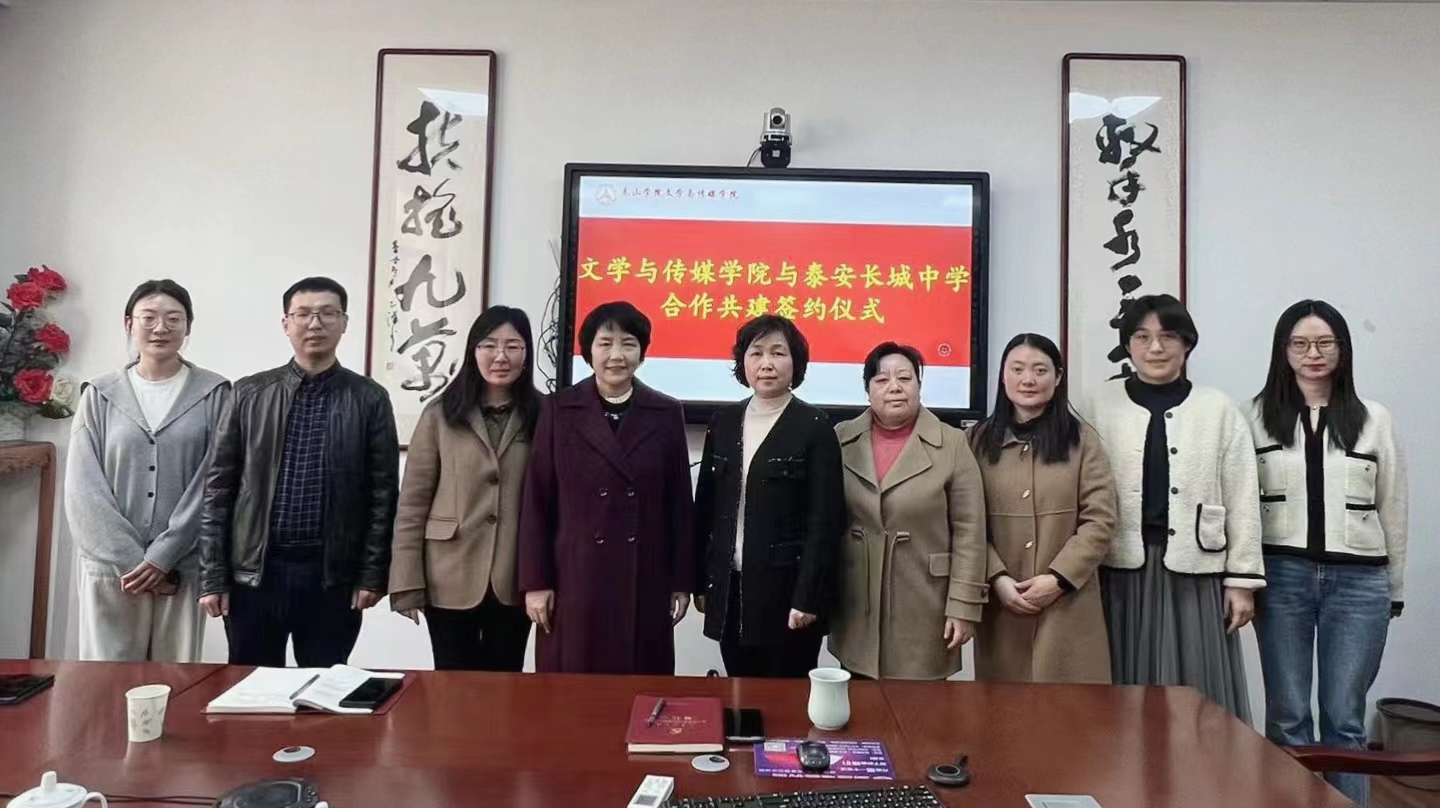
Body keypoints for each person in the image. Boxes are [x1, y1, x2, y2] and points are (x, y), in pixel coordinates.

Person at [1248, 300, 1407, 806]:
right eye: (1300, 344)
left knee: (1345, 718)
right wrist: (1244, 579)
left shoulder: (1374, 419)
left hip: (1359, 583)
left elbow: (1393, 505)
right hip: (1281, 578)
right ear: (1283, 351)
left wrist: (1394, 588)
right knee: (1288, 717)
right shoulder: (1253, 417)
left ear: (1342, 349)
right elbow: (1242, 506)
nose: (1312, 354)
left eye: (1324, 343)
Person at [198, 277, 399, 667]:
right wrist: (212, 575)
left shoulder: (369, 398)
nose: (315, 323)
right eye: (303, 314)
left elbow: (382, 495)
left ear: (344, 322)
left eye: (327, 313)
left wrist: (372, 574)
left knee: (324, 691)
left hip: (332, 578)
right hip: (255, 575)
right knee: (251, 689)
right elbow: (218, 490)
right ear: (286, 324)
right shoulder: (248, 393)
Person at [1083, 294, 1263, 720]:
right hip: (1116, 570)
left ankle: (1198, 763)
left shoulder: (1218, 408)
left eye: (1168, 336)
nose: (1155, 347)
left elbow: (1242, 494)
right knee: (1118, 688)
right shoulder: (1097, 404)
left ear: (1187, 343)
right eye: (1142, 337)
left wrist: (1242, 581)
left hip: (1194, 573)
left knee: (1195, 691)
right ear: (1128, 346)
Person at [517, 301, 694, 674]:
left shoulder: (666, 412)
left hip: (644, 575)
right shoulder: (559, 410)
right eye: (605, 343)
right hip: (574, 576)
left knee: (640, 686)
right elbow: (536, 501)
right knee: (573, 689)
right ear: (588, 351)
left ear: (641, 353)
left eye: (628, 344)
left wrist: (681, 581)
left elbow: (679, 504)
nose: (617, 355)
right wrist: (536, 582)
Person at [65, 280, 230, 662]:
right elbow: (82, 488)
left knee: (176, 678)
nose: (161, 328)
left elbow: (215, 481)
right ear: (129, 324)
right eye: (149, 318)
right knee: (107, 679)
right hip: (112, 569)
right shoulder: (99, 394)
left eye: (174, 319)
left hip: (182, 565)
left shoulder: (215, 393)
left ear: (188, 326)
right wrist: (131, 560)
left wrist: (163, 556)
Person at [692, 315, 845, 678]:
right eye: (756, 352)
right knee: (740, 691)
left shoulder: (814, 426)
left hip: (787, 592)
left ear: (796, 363)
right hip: (731, 588)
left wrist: (809, 597)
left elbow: (825, 522)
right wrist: (700, 582)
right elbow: (705, 509)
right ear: (742, 362)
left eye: (778, 353)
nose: (766, 363)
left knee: (787, 697)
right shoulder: (723, 422)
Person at [389, 306, 539, 672]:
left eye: (513, 346)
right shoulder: (440, 414)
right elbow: (412, 504)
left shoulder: (544, 415)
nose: (500, 356)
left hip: (515, 575)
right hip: (448, 575)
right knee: (451, 687)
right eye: (489, 345)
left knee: (506, 685)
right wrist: (406, 582)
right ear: (473, 351)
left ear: (526, 355)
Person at [829, 343, 988, 680]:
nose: (894, 387)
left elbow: (970, 533)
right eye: (882, 379)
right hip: (856, 602)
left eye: (905, 378)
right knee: (858, 704)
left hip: (925, 601)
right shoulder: (842, 438)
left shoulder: (952, 442)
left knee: (922, 709)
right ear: (867, 389)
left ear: (919, 385)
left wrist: (964, 606)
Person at [969, 334, 1116, 684]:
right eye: (1017, 369)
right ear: (1002, 375)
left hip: (1069, 602)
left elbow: (1100, 519)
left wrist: (1059, 579)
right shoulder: (974, 441)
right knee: (1003, 710)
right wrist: (997, 578)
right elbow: (965, 522)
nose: (1028, 380)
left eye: (1040, 370)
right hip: (1001, 603)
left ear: (1058, 376)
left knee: (1072, 710)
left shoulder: (1083, 440)